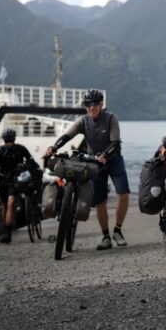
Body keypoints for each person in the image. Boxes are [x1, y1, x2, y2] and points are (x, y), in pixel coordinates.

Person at [45, 89, 130, 250]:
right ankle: (106, 237)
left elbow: (116, 142)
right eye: (88, 104)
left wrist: (105, 154)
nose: (92, 107)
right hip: (94, 162)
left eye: (96, 104)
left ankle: (117, 231)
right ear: (85, 106)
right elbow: (67, 136)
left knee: (123, 194)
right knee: (100, 201)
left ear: (101, 104)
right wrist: (54, 147)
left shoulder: (111, 118)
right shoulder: (83, 121)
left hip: (113, 159)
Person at [0, 128, 39, 244]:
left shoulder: (19, 148)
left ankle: (7, 234)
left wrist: (28, 167)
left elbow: (30, 159)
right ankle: (6, 230)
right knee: (6, 205)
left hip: (15, 180)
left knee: (10, 202)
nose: (9, 143)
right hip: (4, 180)